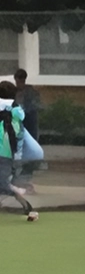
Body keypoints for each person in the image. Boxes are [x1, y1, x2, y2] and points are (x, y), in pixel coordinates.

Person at [0, 82, 37, 221]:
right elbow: (21, 119)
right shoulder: (16, 108)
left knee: (3, 183)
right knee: (3, 180)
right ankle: (25, 204)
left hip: (4, 151)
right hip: (8, 151)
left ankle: (22, 198)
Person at [13, 69, 41, 192]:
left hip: (28, 125)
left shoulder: (30, 93)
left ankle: (23, 180)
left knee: (25, 152)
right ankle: (19, 180)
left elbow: (32, 109)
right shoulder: (17, 92)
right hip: (21, 126)